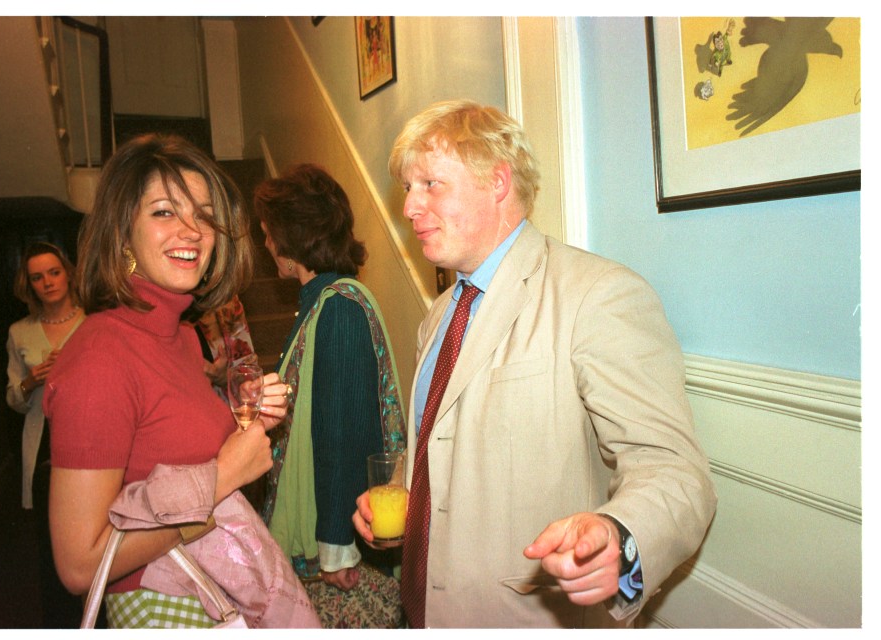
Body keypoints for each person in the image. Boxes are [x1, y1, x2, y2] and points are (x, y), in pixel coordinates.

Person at [352, 100, 717, 628]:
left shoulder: (598, 294)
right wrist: (406, 497)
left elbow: (674, 469)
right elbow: (442, 447)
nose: (409, 208)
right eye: (408, 189)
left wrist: (620, 538)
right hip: (427, 610)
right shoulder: (437, 317)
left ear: (498, 182)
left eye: (430, 184)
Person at [42, 133, 318, 628]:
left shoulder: (185, 338)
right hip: (163, 605)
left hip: (212, 590)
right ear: (123, 231)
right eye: (165, 212)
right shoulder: (100, 355)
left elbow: (165, 445)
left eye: (204, 213)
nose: (192, 230)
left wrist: (244, 425)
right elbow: (80, 565)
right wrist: (225, 476)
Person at [254, 164, 406, 627]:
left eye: (269, 233)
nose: (266, 245)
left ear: (291, 237)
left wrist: (337, 548)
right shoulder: (323, 303)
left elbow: (344, 435)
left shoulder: (338, 306)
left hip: (339, 553)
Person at [4, 240, 86, 627]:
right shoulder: (20, 332)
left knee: (94, 534)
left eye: (54, 272)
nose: (48, 282)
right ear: (29, 285)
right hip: (43, 447)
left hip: (89, 439)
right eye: (37, 277)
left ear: (68, 273)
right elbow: (13, 399)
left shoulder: (94, 322)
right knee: (51, 544)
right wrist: (30, 382)